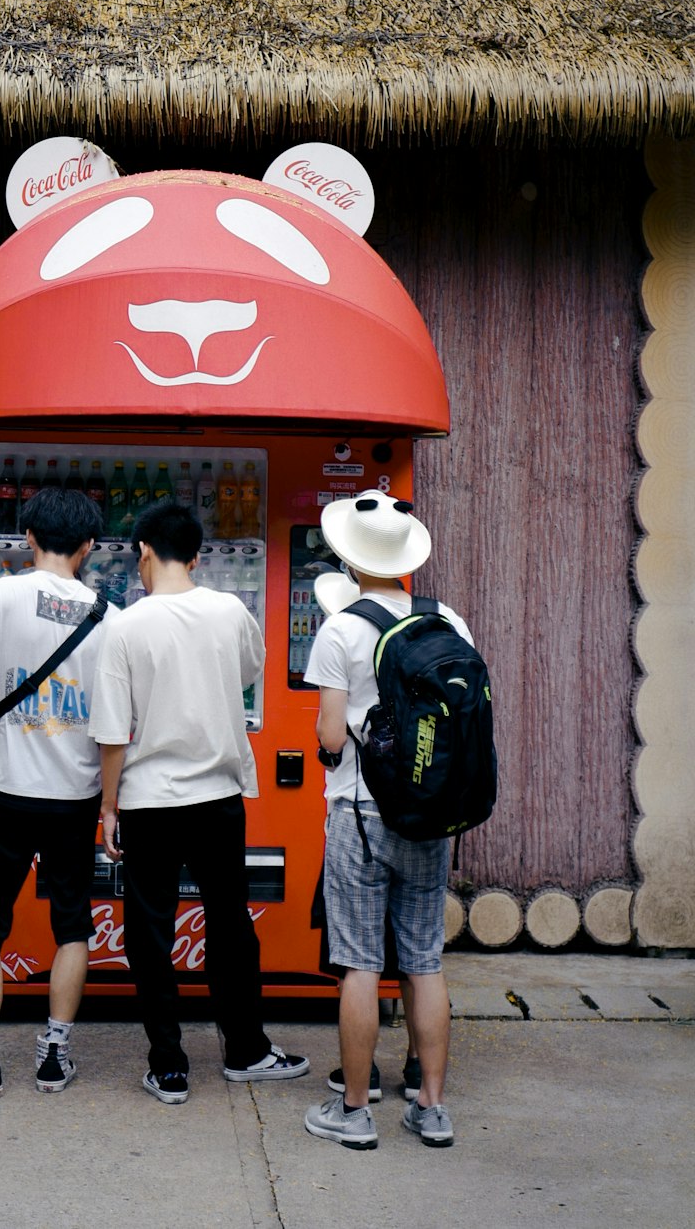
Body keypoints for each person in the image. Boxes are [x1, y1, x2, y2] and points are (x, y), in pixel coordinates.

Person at [88, 501, 309, 1105]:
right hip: (219, 796)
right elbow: (246, 673)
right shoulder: (231, 610)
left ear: (143, 554)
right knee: (231, 923)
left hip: (149, 802)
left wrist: (108, 809)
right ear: (196, 555)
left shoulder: (124, 626)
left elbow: (112, 732)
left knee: (149, 931)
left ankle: (169, 1065)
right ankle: (246, 1050)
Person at [0, 486, 108, 1100]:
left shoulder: (3, 593)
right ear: (87, 546)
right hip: (76, 793)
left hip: (6, 789)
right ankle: (54, 1055)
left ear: (28, 537)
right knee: (73, 926)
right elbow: (116, 721)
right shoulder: (109, 614)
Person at [303, 489, 471, 1149]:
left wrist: (334, 746)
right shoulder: (446, 618)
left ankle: (353, 1110)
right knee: (424, 960)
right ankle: (430, 1107)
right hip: (431, 816)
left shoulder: (341, 628)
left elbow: (330, 736)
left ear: (348, 557)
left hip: (359, 813)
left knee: (360, 962)